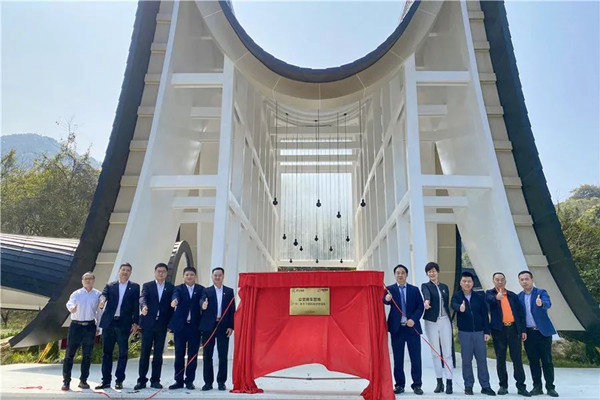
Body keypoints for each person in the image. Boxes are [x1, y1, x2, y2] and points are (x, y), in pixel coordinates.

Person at [96, 262, 140, 390]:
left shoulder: (134, 287)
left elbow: (136, 306)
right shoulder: (110, 285)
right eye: (123, 270)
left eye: (128, 270)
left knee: (123, 353)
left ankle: (119, 380)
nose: (125, 272)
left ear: (130, 273)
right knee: (107, 353)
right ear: (119, 271)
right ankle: (105, 381)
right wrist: (102, 301)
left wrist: (135, 323)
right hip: (109, 323)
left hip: (124, 323)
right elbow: (104, 295)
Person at [485, 272, 531, 397]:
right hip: (499, 330)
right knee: (500, 358)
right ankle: (503, 386)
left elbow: (521, 314)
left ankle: (521, 386)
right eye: (497, 279)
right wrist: (496, 298)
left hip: (513, 329)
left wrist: (523, 330)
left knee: (517, 358)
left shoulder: (512, 295)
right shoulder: (489, 294)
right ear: (493, 281)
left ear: (505, 281)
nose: (500, 282)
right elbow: (488, 301)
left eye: (502, 279)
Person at [451, 271, 496, 396]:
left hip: (479, 333)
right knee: (466, 361)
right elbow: (453, 305)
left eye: (469, 281)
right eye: (464, 281)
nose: (467, 283)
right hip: (464, 333)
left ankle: (485, 386)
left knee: (482, 360)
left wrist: (487, 331)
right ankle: (468, 386)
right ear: (460, 283)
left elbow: (485, 315)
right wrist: (459, 308)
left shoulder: (479, 297)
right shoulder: (457, 296)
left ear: (472, 283)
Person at [383, 264, 424, 395]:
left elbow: (420, 307)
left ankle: (417, 385)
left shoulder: (414, 290)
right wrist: (386, 299)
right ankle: (400, 385)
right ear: (395, 275)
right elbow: (384, 300)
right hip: (397, 329)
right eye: (398, 273)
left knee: (415, 358)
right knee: (398, 359)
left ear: (406, 275)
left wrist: (413, 319)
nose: (400, 275)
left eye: (402, 273)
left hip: (412, 328)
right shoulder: (390, 289)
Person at [518, 271, 559, 397]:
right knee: (533, 361)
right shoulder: (519, 296)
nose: (524, 281)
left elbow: (548, 303)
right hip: (529, 334)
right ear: (519, 282)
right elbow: (520, 317)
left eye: (526, 279)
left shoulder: (541, 292)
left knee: (547, 361)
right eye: (522, 279)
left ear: (532, 279)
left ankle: (550, 387)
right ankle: (537, 387)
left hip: (542, 333)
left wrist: (542, 304)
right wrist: (522, 331)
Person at [134, 263, 175, 390]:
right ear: (155, 272)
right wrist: (143, 306)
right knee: (145, 353)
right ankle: (141, 380)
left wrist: (170, 324)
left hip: (162, 325)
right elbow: (143, 298)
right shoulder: (148, 285)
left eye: (163, 271)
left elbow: (172, 308)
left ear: (166, 273)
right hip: (148, 324)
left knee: (158, 354)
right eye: (158, 271)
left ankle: (155, 380)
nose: (161, 273)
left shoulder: (170, 287)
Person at [168, 266, 208, 390]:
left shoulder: (201, 289)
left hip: (194, 327)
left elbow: (202, 299)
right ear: (183, 276)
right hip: (181, 327)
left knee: (193, 355)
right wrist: (174, 301)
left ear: (195, 276)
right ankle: (178, 381)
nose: (189, 277)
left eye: (191, 275)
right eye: (187, 275)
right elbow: (175, 296)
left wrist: (203, 304)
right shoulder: (178, 288)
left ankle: (189, 381)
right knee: (179, 354)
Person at [62, 272, 102, 391]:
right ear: (82, 281)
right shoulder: (76, 293)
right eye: (85, 279)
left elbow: (99, 312)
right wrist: (72, 308)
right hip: (76, 326)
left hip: (90, 326)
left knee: (87, 355)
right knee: (69, 354)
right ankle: (66, 381)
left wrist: (98, 327)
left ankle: (83, 380)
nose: (88, 280)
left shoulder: (97, 294)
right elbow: (69, 303)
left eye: (90, 278)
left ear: (94, 280)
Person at [199, 267, 235, 391]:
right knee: (207, 355)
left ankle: (221, 382)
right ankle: (208, 383)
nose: (217, 277)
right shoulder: (206, 291)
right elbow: (201, 301)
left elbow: (232, 310)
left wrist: (231, 326)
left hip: (223, 326)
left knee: (222, 355)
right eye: (215, 275)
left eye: (220, 275)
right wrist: (203, 305)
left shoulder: (229, 291)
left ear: (223, 276)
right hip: (208, 327)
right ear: (212, 276)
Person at [421, 262, 453, 394]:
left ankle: (449, 382)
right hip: (431, 322)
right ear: (427, 274)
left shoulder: (444, 287)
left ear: (438, 272)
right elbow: (426, 294)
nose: (432, 273)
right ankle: (439, 382)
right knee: (435, 353)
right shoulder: (425, 286)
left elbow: (446, 303)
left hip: (445, 321)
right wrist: (426, 302)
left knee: (447, 352)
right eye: (429, 271)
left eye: (434, 271)